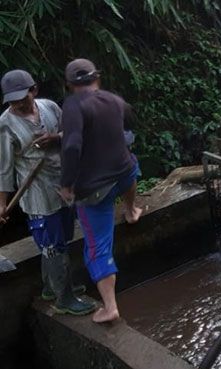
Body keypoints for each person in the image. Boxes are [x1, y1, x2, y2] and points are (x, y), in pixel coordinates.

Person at [0, 69, 95, 315]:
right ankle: (65, 299)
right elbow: (4, 169)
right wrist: (2, 203)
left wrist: (56, 138)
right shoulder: (5, 126)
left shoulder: (50, 107)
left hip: (63, 185)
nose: (19, 103)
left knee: (62, 238)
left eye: (23, 96)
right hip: (37, 194)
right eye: (13, 100)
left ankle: (52, 287)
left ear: (34, 90)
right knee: (53, 245)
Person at [58, 59, 142, 323]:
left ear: (70, 84)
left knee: (97, 247)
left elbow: (72, 146)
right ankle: (131, 210)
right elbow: (128, 126)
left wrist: (67, 184)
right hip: (124, 173)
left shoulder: (73, 106)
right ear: (99, 78)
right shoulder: (114, 100)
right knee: (132, 167)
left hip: (96, 190)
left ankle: (109, 307)